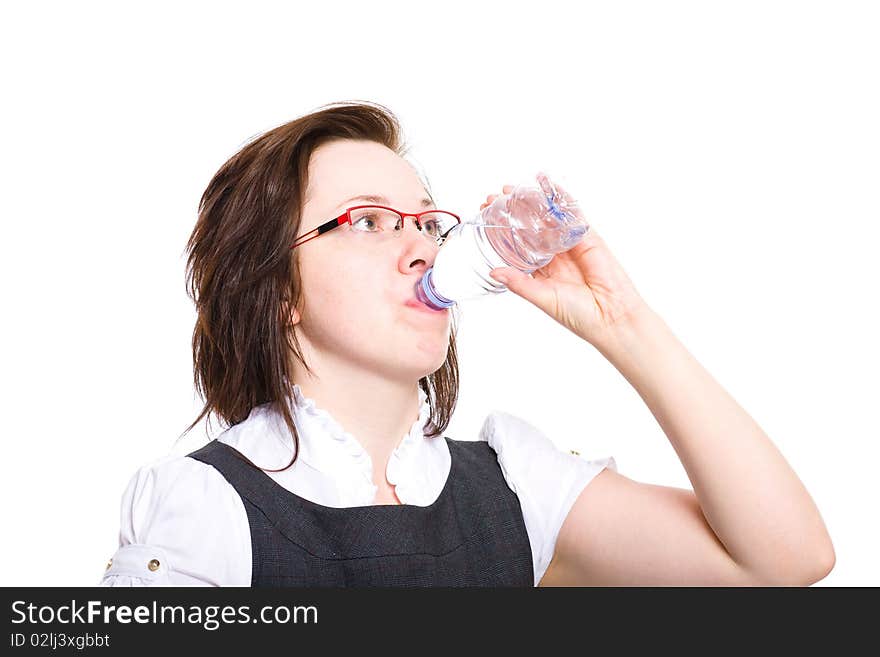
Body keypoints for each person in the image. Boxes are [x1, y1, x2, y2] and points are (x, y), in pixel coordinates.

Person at [100, 100, 835, 587]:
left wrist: (624, 324)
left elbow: (785, 559)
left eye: (426, 221)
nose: (421, 247)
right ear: (280, 291)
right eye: (368, 220)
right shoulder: (206, 508)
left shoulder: (515, 490)